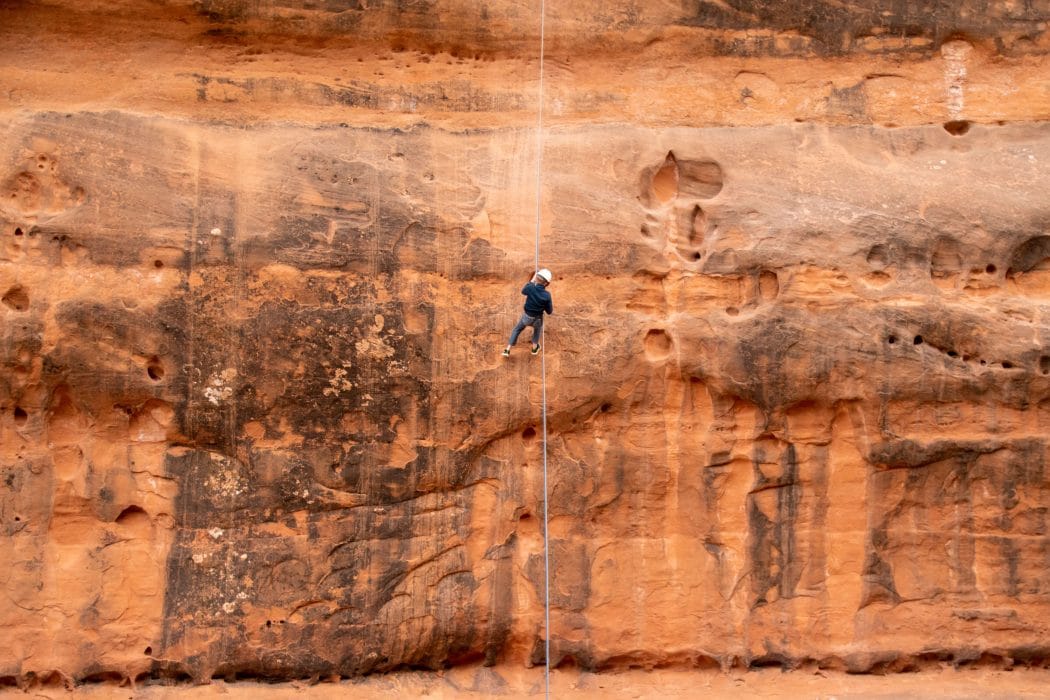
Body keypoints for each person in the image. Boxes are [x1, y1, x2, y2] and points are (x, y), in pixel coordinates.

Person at [502, 269, 553, 357]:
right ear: (547, 283)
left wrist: (533, 280)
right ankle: (534, 348)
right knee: (537, 330)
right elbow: (549, 311)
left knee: (517, 329)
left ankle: (507, 350)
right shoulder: (547, 295)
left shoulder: (530, 288)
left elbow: (523, 291)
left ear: (536, 278)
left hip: (527, 317)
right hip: (538, 319)